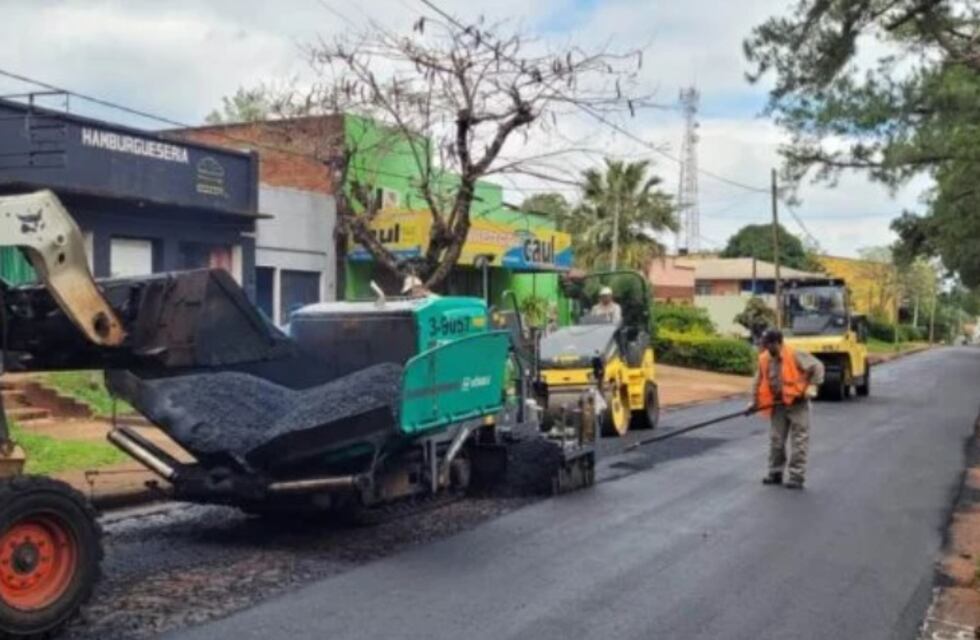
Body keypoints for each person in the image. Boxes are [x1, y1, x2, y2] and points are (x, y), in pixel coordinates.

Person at [748, 328, 824, 490]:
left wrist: (813, 385)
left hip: (798, 404)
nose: (765, 348)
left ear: (778, 343)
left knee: (799, 441)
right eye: (764, 344)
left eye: (768, 344)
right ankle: (775, 472)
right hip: (778, 404)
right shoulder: (764, 359)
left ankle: (796, 477)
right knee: (776, 440)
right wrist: (754, 402)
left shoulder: (795, 354)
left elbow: (818, 366)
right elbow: (757, 381)